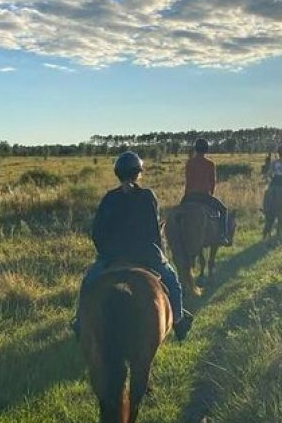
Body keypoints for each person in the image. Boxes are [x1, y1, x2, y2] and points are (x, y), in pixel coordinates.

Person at [73, 151, 193, 342]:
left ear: (117, 173)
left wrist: (105, 253)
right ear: (138, 173)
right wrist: (159, 253)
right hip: (146, 254)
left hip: (112, 256)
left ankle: (79, 322)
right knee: (173, 283)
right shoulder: (147, 196)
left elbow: (97, 232)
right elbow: (154, 230)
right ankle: (179, 322)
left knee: (88, 283)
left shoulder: (109, 198)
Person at [181, 138, 230, 246]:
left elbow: (188, 181)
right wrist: (210, 194)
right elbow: (212, 182)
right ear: (206, 150)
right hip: (204, 196)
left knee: (178, 212)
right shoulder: (210, 164)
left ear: (196, 149)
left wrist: (186, 197)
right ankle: (222, 235)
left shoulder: (189, 163)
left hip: (189, 196)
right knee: (224, 210)